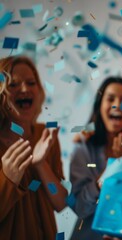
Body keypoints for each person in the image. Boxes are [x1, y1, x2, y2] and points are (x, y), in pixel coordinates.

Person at [70, 76, 122, 240]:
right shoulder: (83, 148)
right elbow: (80, 207)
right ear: (100, 105)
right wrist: (115, 166)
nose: (117, 105)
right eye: (110, 98)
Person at [0, 56, 67, 239]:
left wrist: (40, 164)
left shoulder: (45, 134)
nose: (24, 89)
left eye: (31, 82)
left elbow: (61, 203)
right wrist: (7, 178)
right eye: (13, 85)